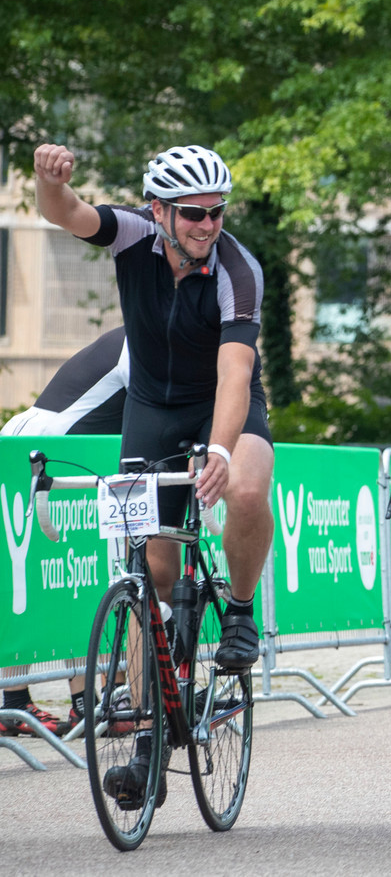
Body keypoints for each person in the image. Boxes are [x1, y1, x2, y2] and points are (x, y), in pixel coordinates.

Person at [33, 142, 275, 804]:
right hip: (150, 411)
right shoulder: (133, 237)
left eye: (217, 212)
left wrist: (221, 452)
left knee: (250, 484)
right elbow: (67, 213)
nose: (207, 224)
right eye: (193, 213)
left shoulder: (236, 270)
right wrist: (47, 181)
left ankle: (243, 614)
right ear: (159, 210)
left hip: (222, 405)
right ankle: (147, 744)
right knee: (149, 580)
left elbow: (235, 375)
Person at [1, 326, 129, 735]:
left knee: (73, 574)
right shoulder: (142, 340)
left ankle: (77, 703)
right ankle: (16, 703)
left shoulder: (142, 333)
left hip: (62, 452)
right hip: (45, 449)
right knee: (36, 578)